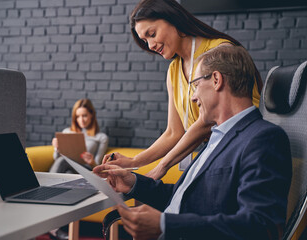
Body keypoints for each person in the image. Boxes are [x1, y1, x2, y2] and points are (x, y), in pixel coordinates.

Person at [94, 46, 292, 239]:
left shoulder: (263, 139)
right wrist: (133, 183)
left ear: (216, 80)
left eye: (196, 85)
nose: (194, 97)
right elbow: (187, 199)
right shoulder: (218, 136)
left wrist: (166, 224)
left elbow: (261, 227)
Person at [102, 0, 263, 180]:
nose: (150, 45)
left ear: (173, 19)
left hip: (238, 149)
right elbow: (173, 132)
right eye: (145, 41)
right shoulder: (174, 70)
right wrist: (134, 161)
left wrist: (161, 166)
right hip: (212, 152)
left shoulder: (220, 53)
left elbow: (208, 122)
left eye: (152, 34)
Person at [49, 98, 108, 173]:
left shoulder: (101, 137)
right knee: (68, 172)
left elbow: (98, 166)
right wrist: (57, 148)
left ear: (91, 115)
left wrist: (91, 162)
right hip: (68, 167)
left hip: (87, 170)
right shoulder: (66, 132)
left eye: (84, 116)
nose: (81, 120)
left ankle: (45, 184)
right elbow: (56, 158)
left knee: (63, 160)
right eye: (78, 116)